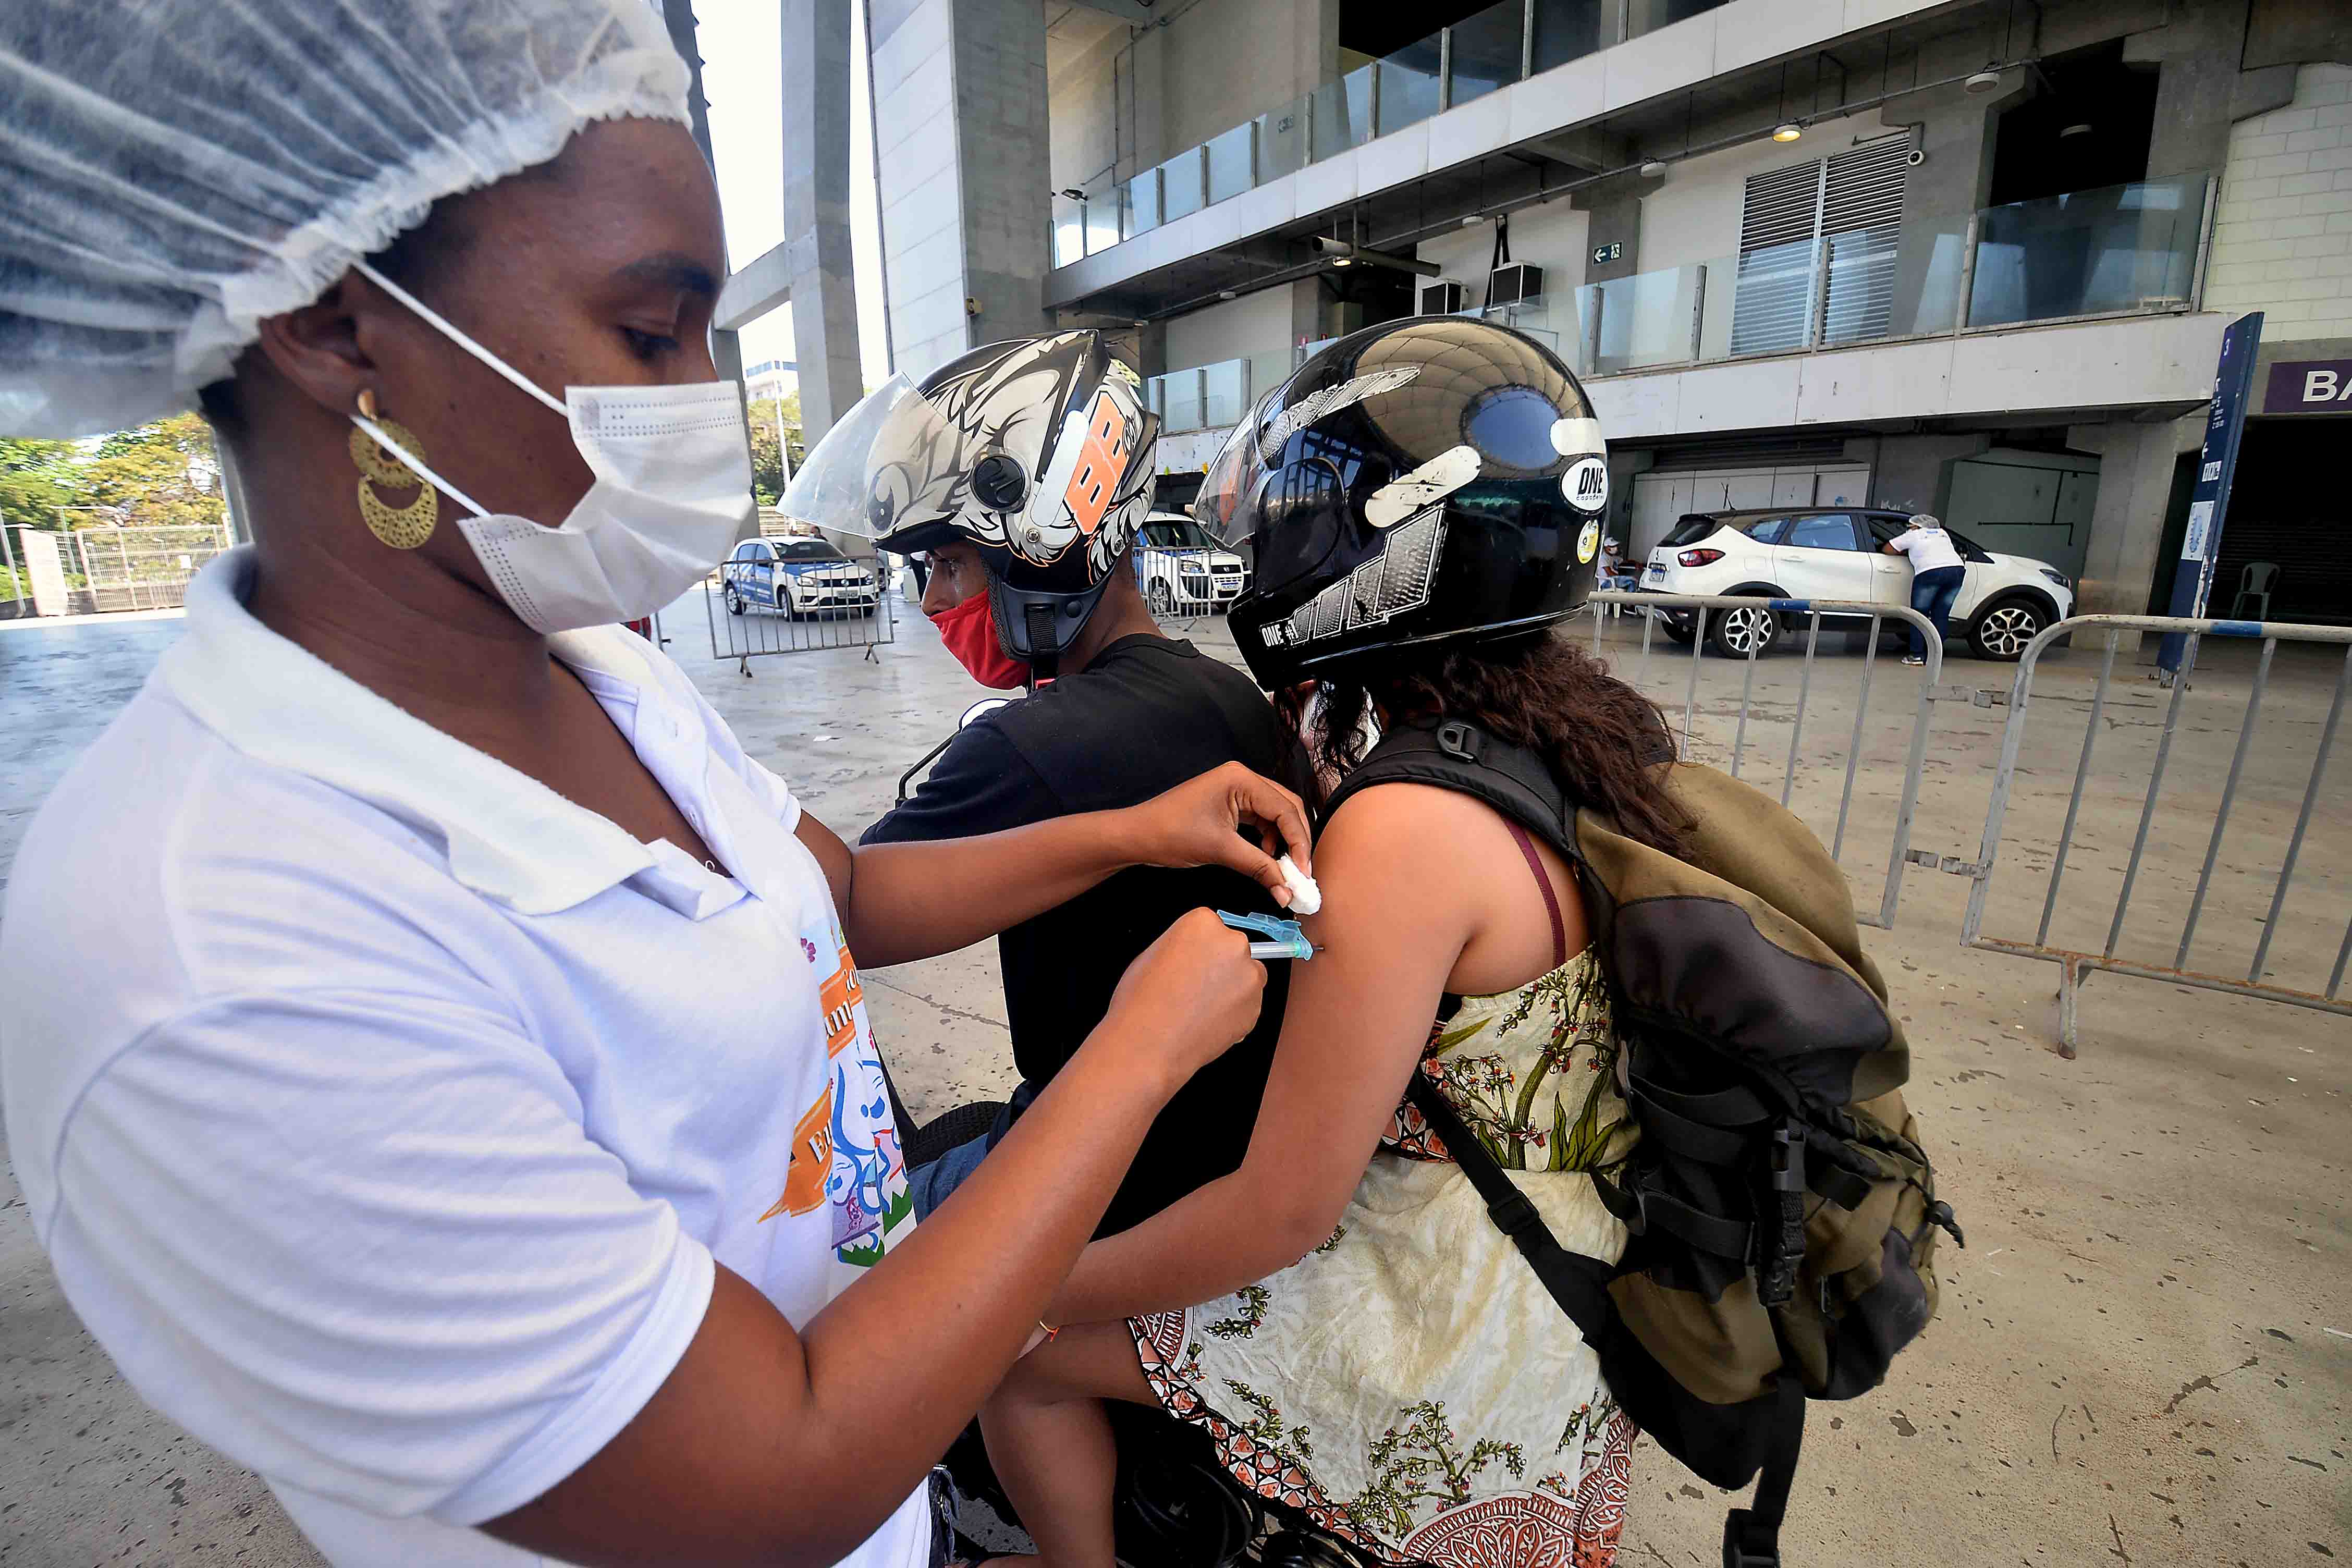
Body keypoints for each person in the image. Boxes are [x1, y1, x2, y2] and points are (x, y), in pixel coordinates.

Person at [0, 7, 1313, 1565]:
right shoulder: (220, 956)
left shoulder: (597, 666)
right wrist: (1141, 1050)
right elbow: (776, 1473)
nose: (701, 406)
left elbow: (837, 893)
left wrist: (1130, 832)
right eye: (648, 333)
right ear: (339, 328)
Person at [970, 318, 1655, 1567]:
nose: (1261, 559)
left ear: (1383, 550)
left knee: (1016, 1371)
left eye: (1286, 529)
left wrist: (1021, 1290)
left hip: (1438, 1326)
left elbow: (1279, 1208)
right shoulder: (1567, 736)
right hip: (1562, 1291)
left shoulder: (1401, 827)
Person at [814, 334, 1306, 1239]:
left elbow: (819, 913)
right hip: (1212, 1145)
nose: (931, 602)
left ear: (1044, 552)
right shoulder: (1233, 697)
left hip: (1087, 1175)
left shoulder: (1025, 749)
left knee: (817, 1247)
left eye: (949, 564)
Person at [1881, 511, 1966, 665]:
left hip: (1931, 573)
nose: (1908, 528)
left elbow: (1888, 549)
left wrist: (1907, 552)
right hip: (1957, 571)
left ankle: (1917, 656)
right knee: (1941, 615)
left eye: (1910, 526)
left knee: (1919, 615)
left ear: (1917, 526)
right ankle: (1934, 656)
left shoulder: (1914, 535)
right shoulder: (1943, 534)